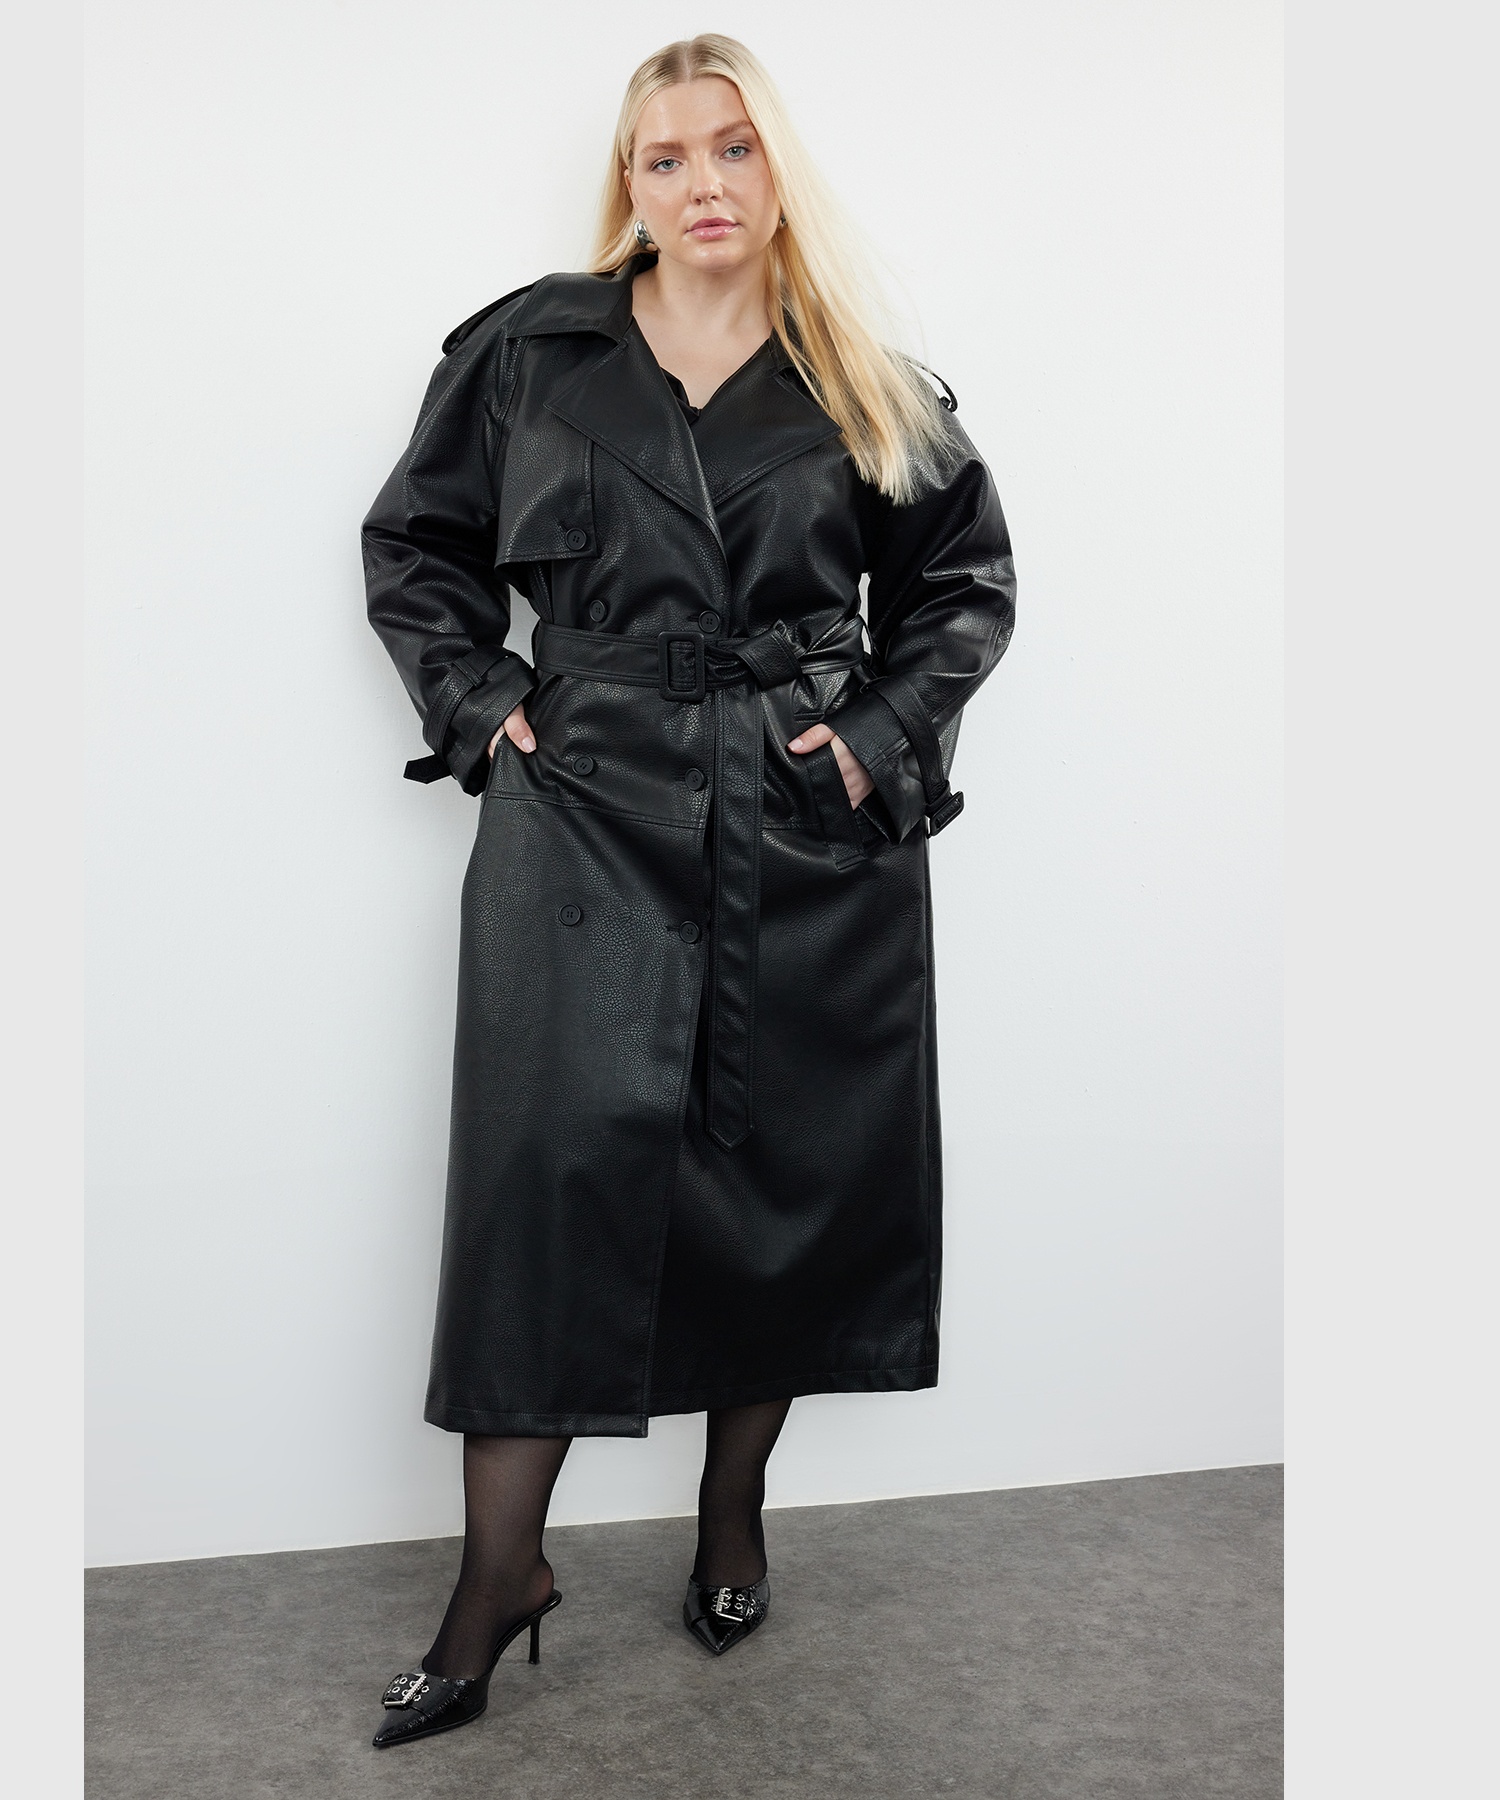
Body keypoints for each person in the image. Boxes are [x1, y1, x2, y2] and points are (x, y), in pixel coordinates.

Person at [360, 32, 1015, 1749]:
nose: (703, 182)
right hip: (581, 804)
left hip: (800, 817)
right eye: (667, 157)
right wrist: (481, 701)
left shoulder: (861, 373)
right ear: (630, 183)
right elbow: (416, 545)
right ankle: (499, 1576)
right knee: (541, 1185)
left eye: (733, 147)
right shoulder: (531, 352)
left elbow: (961, 588)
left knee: (778, 1170)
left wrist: (872, 738)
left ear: (776, 166)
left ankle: (732, 1515)